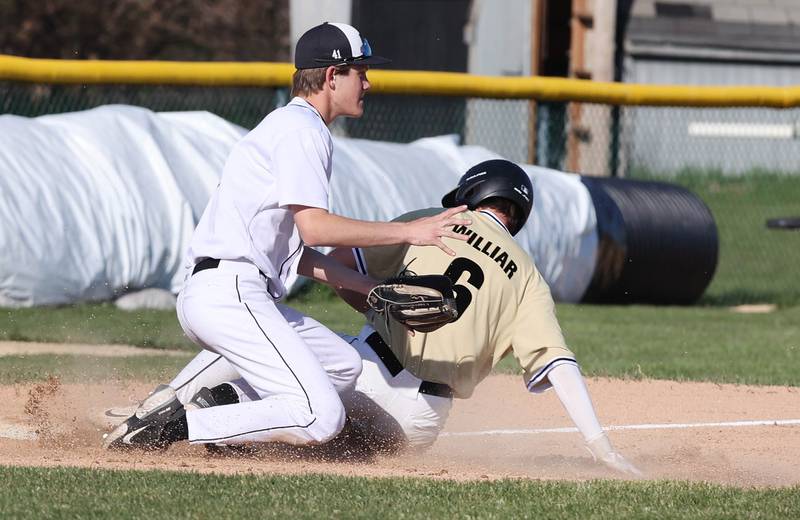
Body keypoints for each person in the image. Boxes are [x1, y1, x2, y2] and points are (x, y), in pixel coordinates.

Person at [105, 158, 641, 476]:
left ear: (473, 195)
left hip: (365, 369)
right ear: (515, 215)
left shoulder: (433, 223)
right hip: (420, 420)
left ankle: (166, 409)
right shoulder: (526, 276)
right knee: (325, 447)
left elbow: (340, 265)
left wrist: (371, 295)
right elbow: (559, 366)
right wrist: (603, 447)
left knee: (260, 336)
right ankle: (219, 424)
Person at [102, 21, 470, 450]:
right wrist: (409, 231)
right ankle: (176, 427)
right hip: (231, 293)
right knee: (321, 417)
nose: (368, 82)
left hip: (229, 290)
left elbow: (297, 252)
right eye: (360, 72)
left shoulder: (291, 126)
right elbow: (315, 226)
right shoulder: (303, 131)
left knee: (343, 366)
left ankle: (180, 407)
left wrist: (367, 286)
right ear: (333, 76)